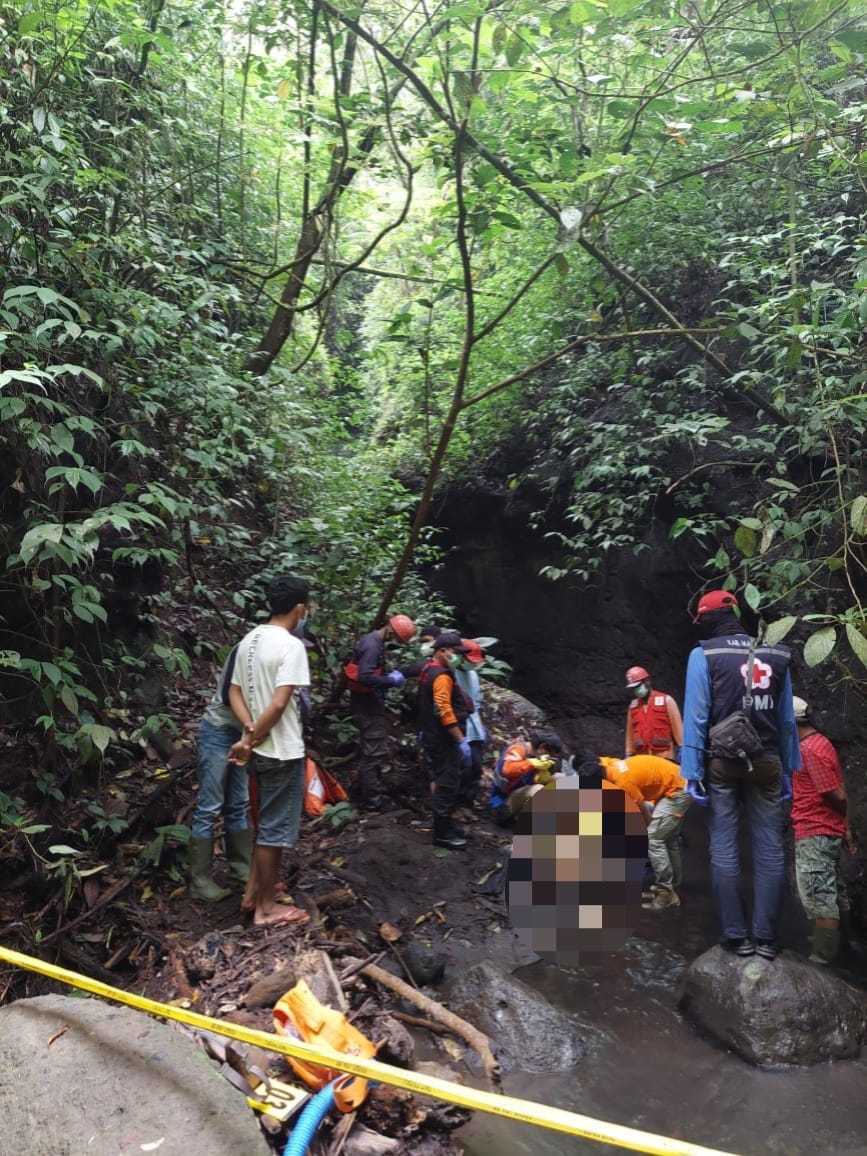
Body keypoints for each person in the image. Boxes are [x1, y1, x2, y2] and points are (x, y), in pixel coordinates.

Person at [681, 588, 800, 960]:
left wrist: (691, 771)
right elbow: (786, 722)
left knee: (725, 845)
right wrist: (789, 771)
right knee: (769, 848)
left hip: (722, 762)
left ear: (706, 620)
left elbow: (697, 716)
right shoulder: (776, 654)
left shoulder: (704, 655)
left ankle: (736, 937)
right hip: (767, 762)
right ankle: (766, 939)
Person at [227, 573, 312, 928]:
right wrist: (252, 738)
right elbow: (279, 704)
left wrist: (249, 729)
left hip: (260, 750)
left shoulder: (249, 639)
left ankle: (252, 896)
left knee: (264, 824)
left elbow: (233, 692)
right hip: (281, 750)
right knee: (274, 831)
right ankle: (265, 908)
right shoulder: (291, 646)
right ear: (299, 608)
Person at [188, 646, 255, 901]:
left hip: (243, 735)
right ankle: (199, 880)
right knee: (209, 806)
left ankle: (241, 870)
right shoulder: (246, 649)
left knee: (238, 804)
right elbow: (231, 694)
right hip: (218, 731)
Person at [792, 696, 852, 965]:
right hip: (826, 829)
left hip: (815, 830)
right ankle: (844, 948)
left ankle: (823, 959)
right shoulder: (821, 742)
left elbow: (835, 793)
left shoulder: (809, 751)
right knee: (833, 892)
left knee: (819, 898)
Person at [598, 754, 691, 910]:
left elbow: (643, 812)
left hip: (678, 791)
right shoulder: (608, 765)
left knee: (654, 839)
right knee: (669, 840)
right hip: (674, 783)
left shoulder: (623, 783)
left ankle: (666, 894)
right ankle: (672, 889)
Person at [345, 613, 417, 809]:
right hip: (366, 704)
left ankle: (363, 791)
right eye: (397, 638)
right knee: (374, 751)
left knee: (370, 749)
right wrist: (390, 681)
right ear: (391, 630)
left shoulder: (373, 641)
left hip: (367, 702)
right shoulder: (373, 645)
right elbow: (365, 677)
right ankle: (372, 800)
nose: (396, 642)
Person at [417, 631, 476, 849]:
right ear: (442, 651)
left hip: (433, 735)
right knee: (447, 784)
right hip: (443, 739)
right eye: (455, 652)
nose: (457, 656)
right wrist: (460, 739)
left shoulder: (427, 669)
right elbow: (443, 709)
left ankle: (446, 825)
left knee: (444, 780)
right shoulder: (441, 676)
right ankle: (441, 835)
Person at [489, 730, 564, 824]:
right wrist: (532, 764)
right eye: (550, 754)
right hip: (501, 804)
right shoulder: (518, 749)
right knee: (537, 789)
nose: (550, 757)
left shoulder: (535, 757)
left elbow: (530, 781)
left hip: (516, 796)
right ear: (542, 747)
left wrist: (544, 775)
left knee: (559, 778)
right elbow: (507, 770)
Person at [453, 639, 487, 807]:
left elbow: (477, 700)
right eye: (470, 661)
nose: (472, 665)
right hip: (459, 728)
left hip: (475, 727)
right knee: (462, 768)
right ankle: (456, 805)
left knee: (476, 767)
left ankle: (468, 803)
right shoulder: (449, 673)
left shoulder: (473, 674)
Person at [624, 666, 683, 761]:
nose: (636, 690)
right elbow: (630, 734)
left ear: (647, 681)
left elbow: (678, 727)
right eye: (633, 688)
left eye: (638, 686)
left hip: (664, 756)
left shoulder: (666, 700)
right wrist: (629, 754)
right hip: (642, 758)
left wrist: (682, 747)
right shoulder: (633, 706)